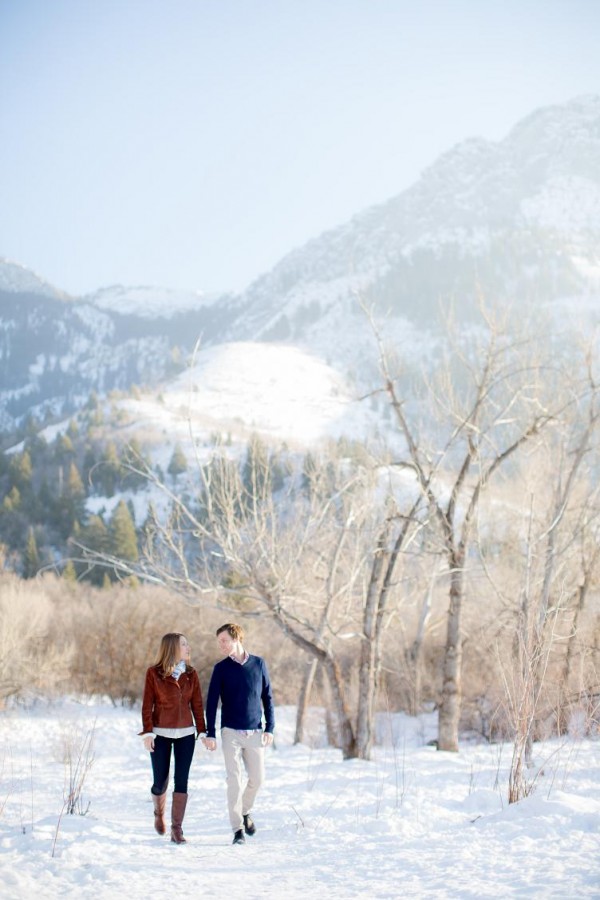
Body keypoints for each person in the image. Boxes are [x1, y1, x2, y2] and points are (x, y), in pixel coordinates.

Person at [203, 623, 275, 845]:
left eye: (224, 640)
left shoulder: (258, 664)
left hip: (254, 731)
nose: (221, 645)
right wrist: (211, 733)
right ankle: (237, 830)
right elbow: (212, 701)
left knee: (257, 779)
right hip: (230, 732)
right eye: (219, 642)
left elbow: (268, 697)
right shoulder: (221, 668)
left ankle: (245, 811)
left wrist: (270, 727)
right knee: (234, 779)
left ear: (237, 639)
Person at [140, 632, 206, 844]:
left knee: (182, 779)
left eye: (188, 643)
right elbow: (146, 706)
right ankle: (158, 813)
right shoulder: (153, 673)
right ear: (172, 648)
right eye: (184, 644)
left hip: (186, 733)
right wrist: (148, 732)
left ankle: (177, 829)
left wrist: (202, 730)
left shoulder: (191, 673)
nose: (188, 647)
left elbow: (197, 705)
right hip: (160, 733)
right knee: (160, 782)